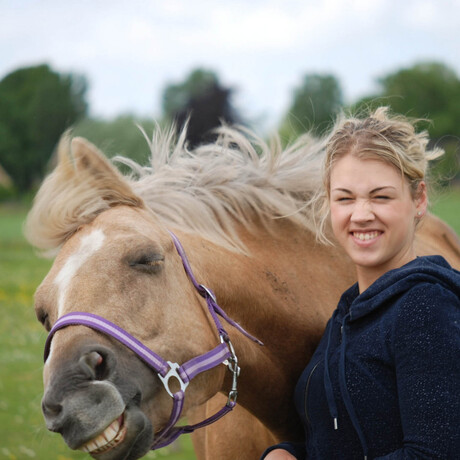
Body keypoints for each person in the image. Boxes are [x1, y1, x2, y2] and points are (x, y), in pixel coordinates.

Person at [262, 107, 460, 459]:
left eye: (381, 196)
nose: (361, 213)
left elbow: (435, 454)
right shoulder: (345, 316)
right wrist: (286, 454)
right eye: (345, 198)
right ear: (329, 205)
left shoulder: (426, 307)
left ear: (419, 199)